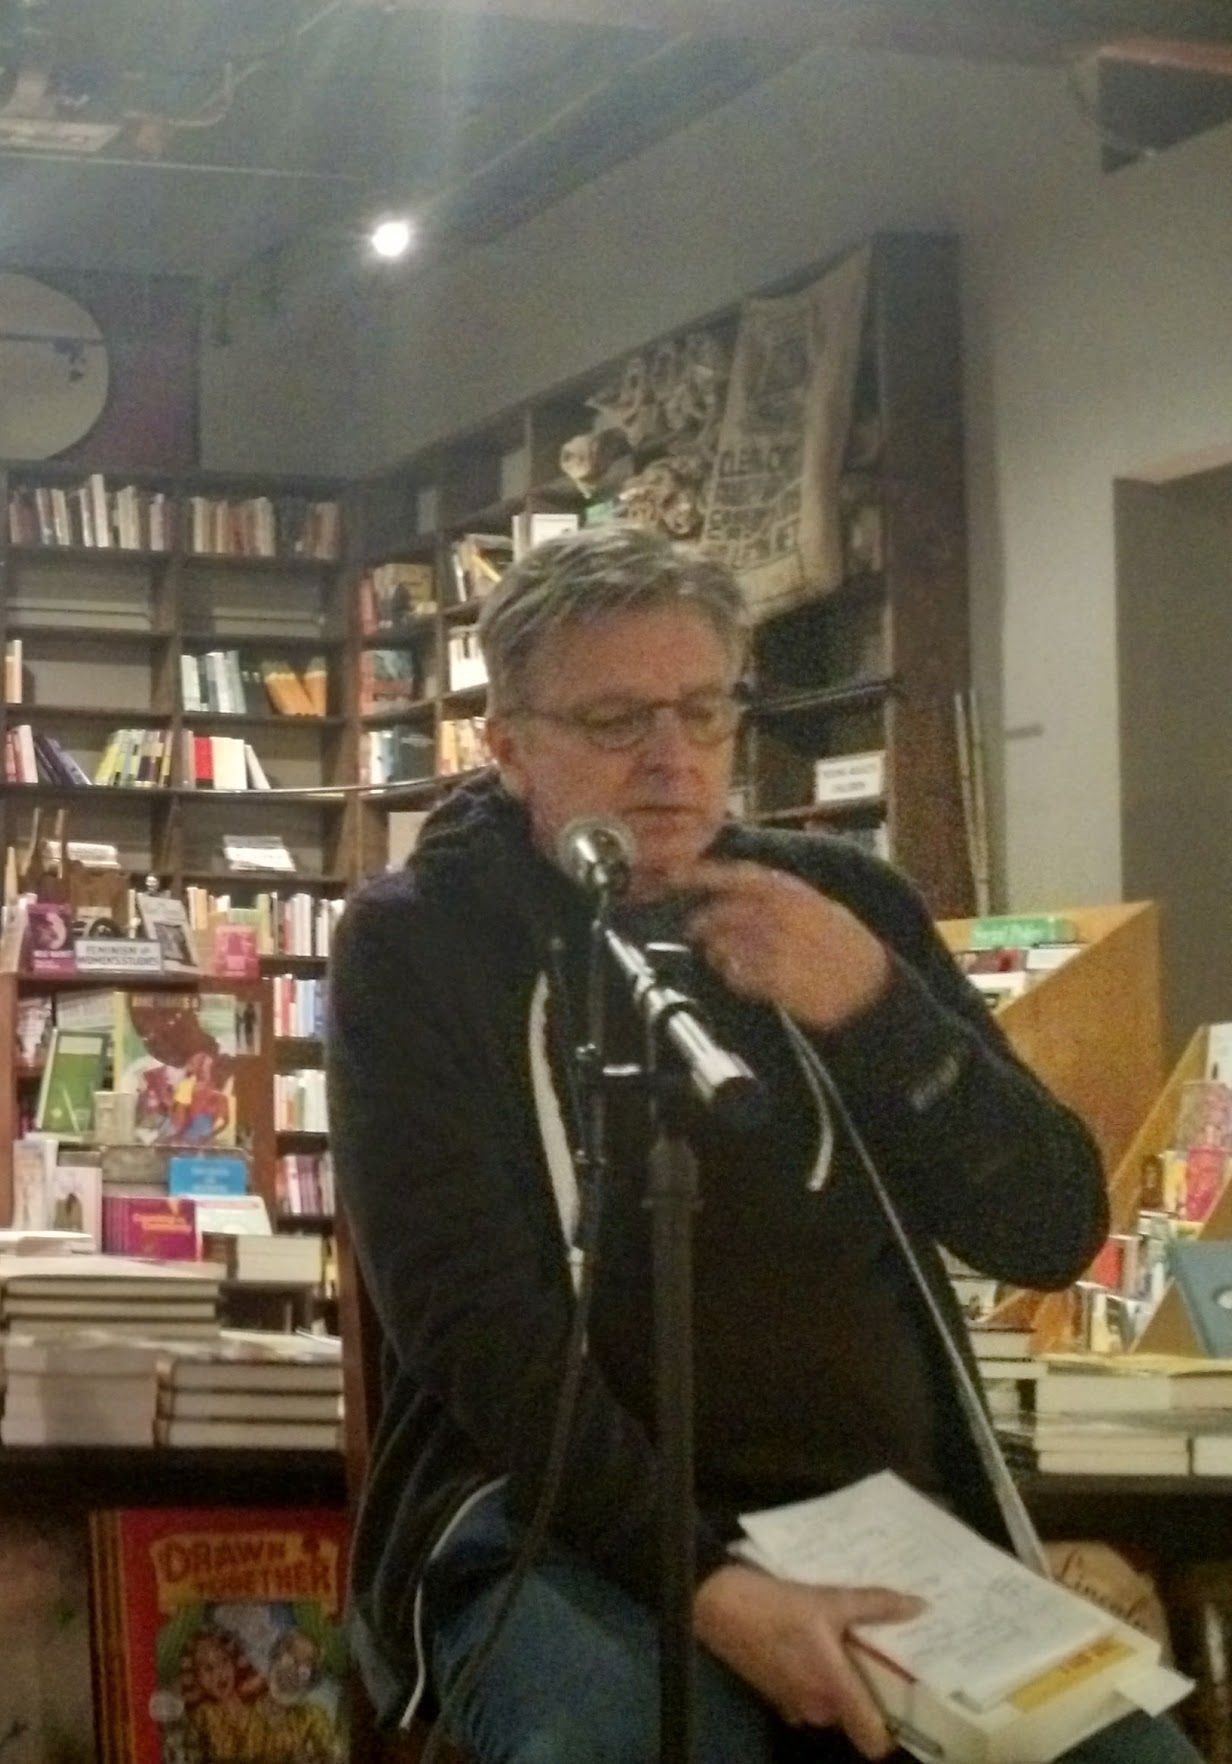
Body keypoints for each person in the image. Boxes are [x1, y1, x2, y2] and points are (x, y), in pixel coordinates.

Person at [330, 525, 1193, 1762]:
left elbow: (1050, 1228)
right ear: (507, 742)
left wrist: (871, 1006)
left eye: (703, 710)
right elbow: (476, 1330)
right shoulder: (421, 941)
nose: (672, 761)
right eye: (617, 719)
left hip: (884, 1528)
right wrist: (713, 1589)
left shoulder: (839, 906)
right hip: (554, 1527)